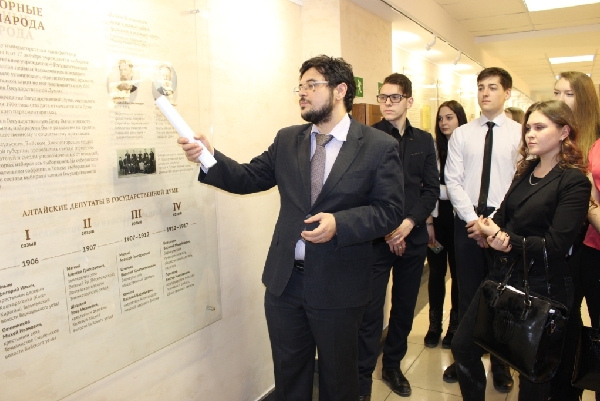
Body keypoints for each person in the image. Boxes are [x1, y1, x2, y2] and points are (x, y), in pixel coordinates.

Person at [177, 55, 404, 401]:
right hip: (285, 284)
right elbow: (249, 177)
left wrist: (340, 223)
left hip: (340, 286)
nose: (302, 93)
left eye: (312, 85)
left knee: (339, 381)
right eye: (300, 87)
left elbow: (389, 211)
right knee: (289, 377)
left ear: (340, 90)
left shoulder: (377, 146)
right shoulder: (288, 140)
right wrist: (209, 157)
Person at [451, 100, 591, 401]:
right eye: (528, 128)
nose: (530, 134)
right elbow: (501, 217)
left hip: (544, 287)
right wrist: (493, 232)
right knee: (463, 345)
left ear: (564, 132)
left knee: (532, 373)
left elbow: (555, 246)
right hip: (504, 276)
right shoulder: (526, 171)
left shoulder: (574, 181)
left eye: (540, 127)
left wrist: (505, 238)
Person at [357, 74, 439, 400]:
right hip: (377, 240)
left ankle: (392, 365)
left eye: (395, 97)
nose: (388, 103)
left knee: (404, 308)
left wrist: (407, 224)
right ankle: (362, 376)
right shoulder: (366, 137)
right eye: (383, 97)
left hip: (413, 237)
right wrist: (389, 229)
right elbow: (361, 191)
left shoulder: (424, 141)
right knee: (370, 311)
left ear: (409, 101)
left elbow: (430, 190)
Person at [443, 67, 521, 392]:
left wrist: (495, 224)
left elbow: (520, 183)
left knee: (502, 297)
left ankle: (501, 364)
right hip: (468, 223)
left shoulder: (520, 134)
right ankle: (466, 360)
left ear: (507, 93)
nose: (485, 93)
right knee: (469, 294)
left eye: (492, 87)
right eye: (480, 87)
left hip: (504, 226)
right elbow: (453, 180)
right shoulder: (462, 134)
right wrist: (473, 220)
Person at [552, 71, 600, 401]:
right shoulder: (557, 139)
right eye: (556, 93)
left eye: (567, 94)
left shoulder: (594, 143)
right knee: (564, 324)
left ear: (583, 99)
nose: (560, 100)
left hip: (593, 247)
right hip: (564, 247)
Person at [423, 100, 467, 349]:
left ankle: (454, 327)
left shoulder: (468, 148)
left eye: (449, 117)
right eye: (440, 118)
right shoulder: (434, 150)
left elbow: (468, 189)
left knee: (459, 276)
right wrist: (429, 222)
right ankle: (434, 326)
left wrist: (441, 190)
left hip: (460, 225)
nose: (443, 123)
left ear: (460, 119)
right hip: (436, 225)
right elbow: (426, 188)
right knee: (436, 274)